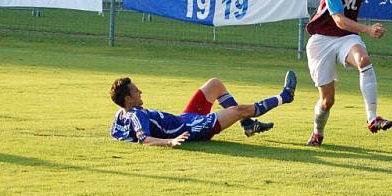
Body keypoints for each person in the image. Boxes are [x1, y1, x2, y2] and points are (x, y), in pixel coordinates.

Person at [304, 0, 392, 147]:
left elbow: (347, 23)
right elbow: (339, 20)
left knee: (363, 60)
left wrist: (364, 31)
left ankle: (372, 118)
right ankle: (317, 133)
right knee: (327, 101)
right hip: (322, 40)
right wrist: (368, 29)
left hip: (346, 38)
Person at [109, 71, 296, 147]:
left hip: (185, 117)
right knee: (240, 110)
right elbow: (144, 139)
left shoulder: (121, 113)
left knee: (214, 84)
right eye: (136, 91)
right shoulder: (136, 115)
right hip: (193, 128)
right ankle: (284, 97)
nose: (140, 91)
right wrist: (170, 142)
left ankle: (247, 126)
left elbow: (117, 134)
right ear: (128, 99)